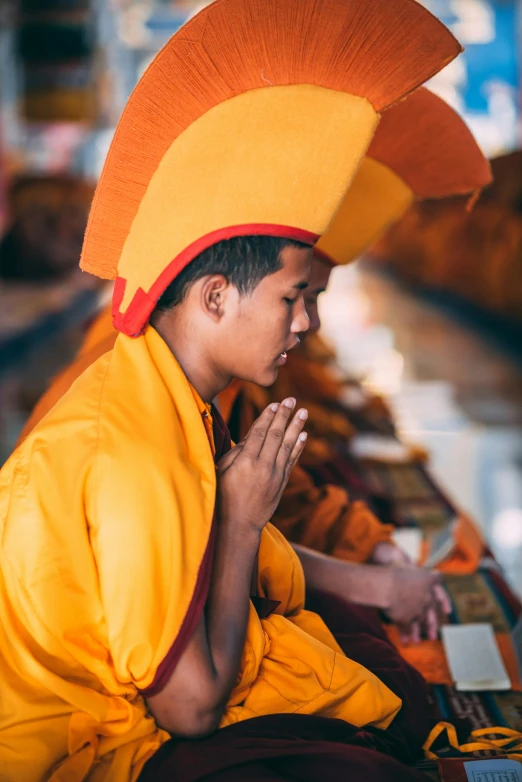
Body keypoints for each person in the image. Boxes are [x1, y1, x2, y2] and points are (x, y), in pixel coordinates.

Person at [0, 0, 461, 778]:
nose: (309, 322)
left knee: (374, 680)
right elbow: (190, 708)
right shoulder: (137, 448)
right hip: (87, 743)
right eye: (294, 297)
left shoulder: (173, 395)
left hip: (154, 692)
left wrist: (358, 570)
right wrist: (245, 516)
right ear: (215, 297)